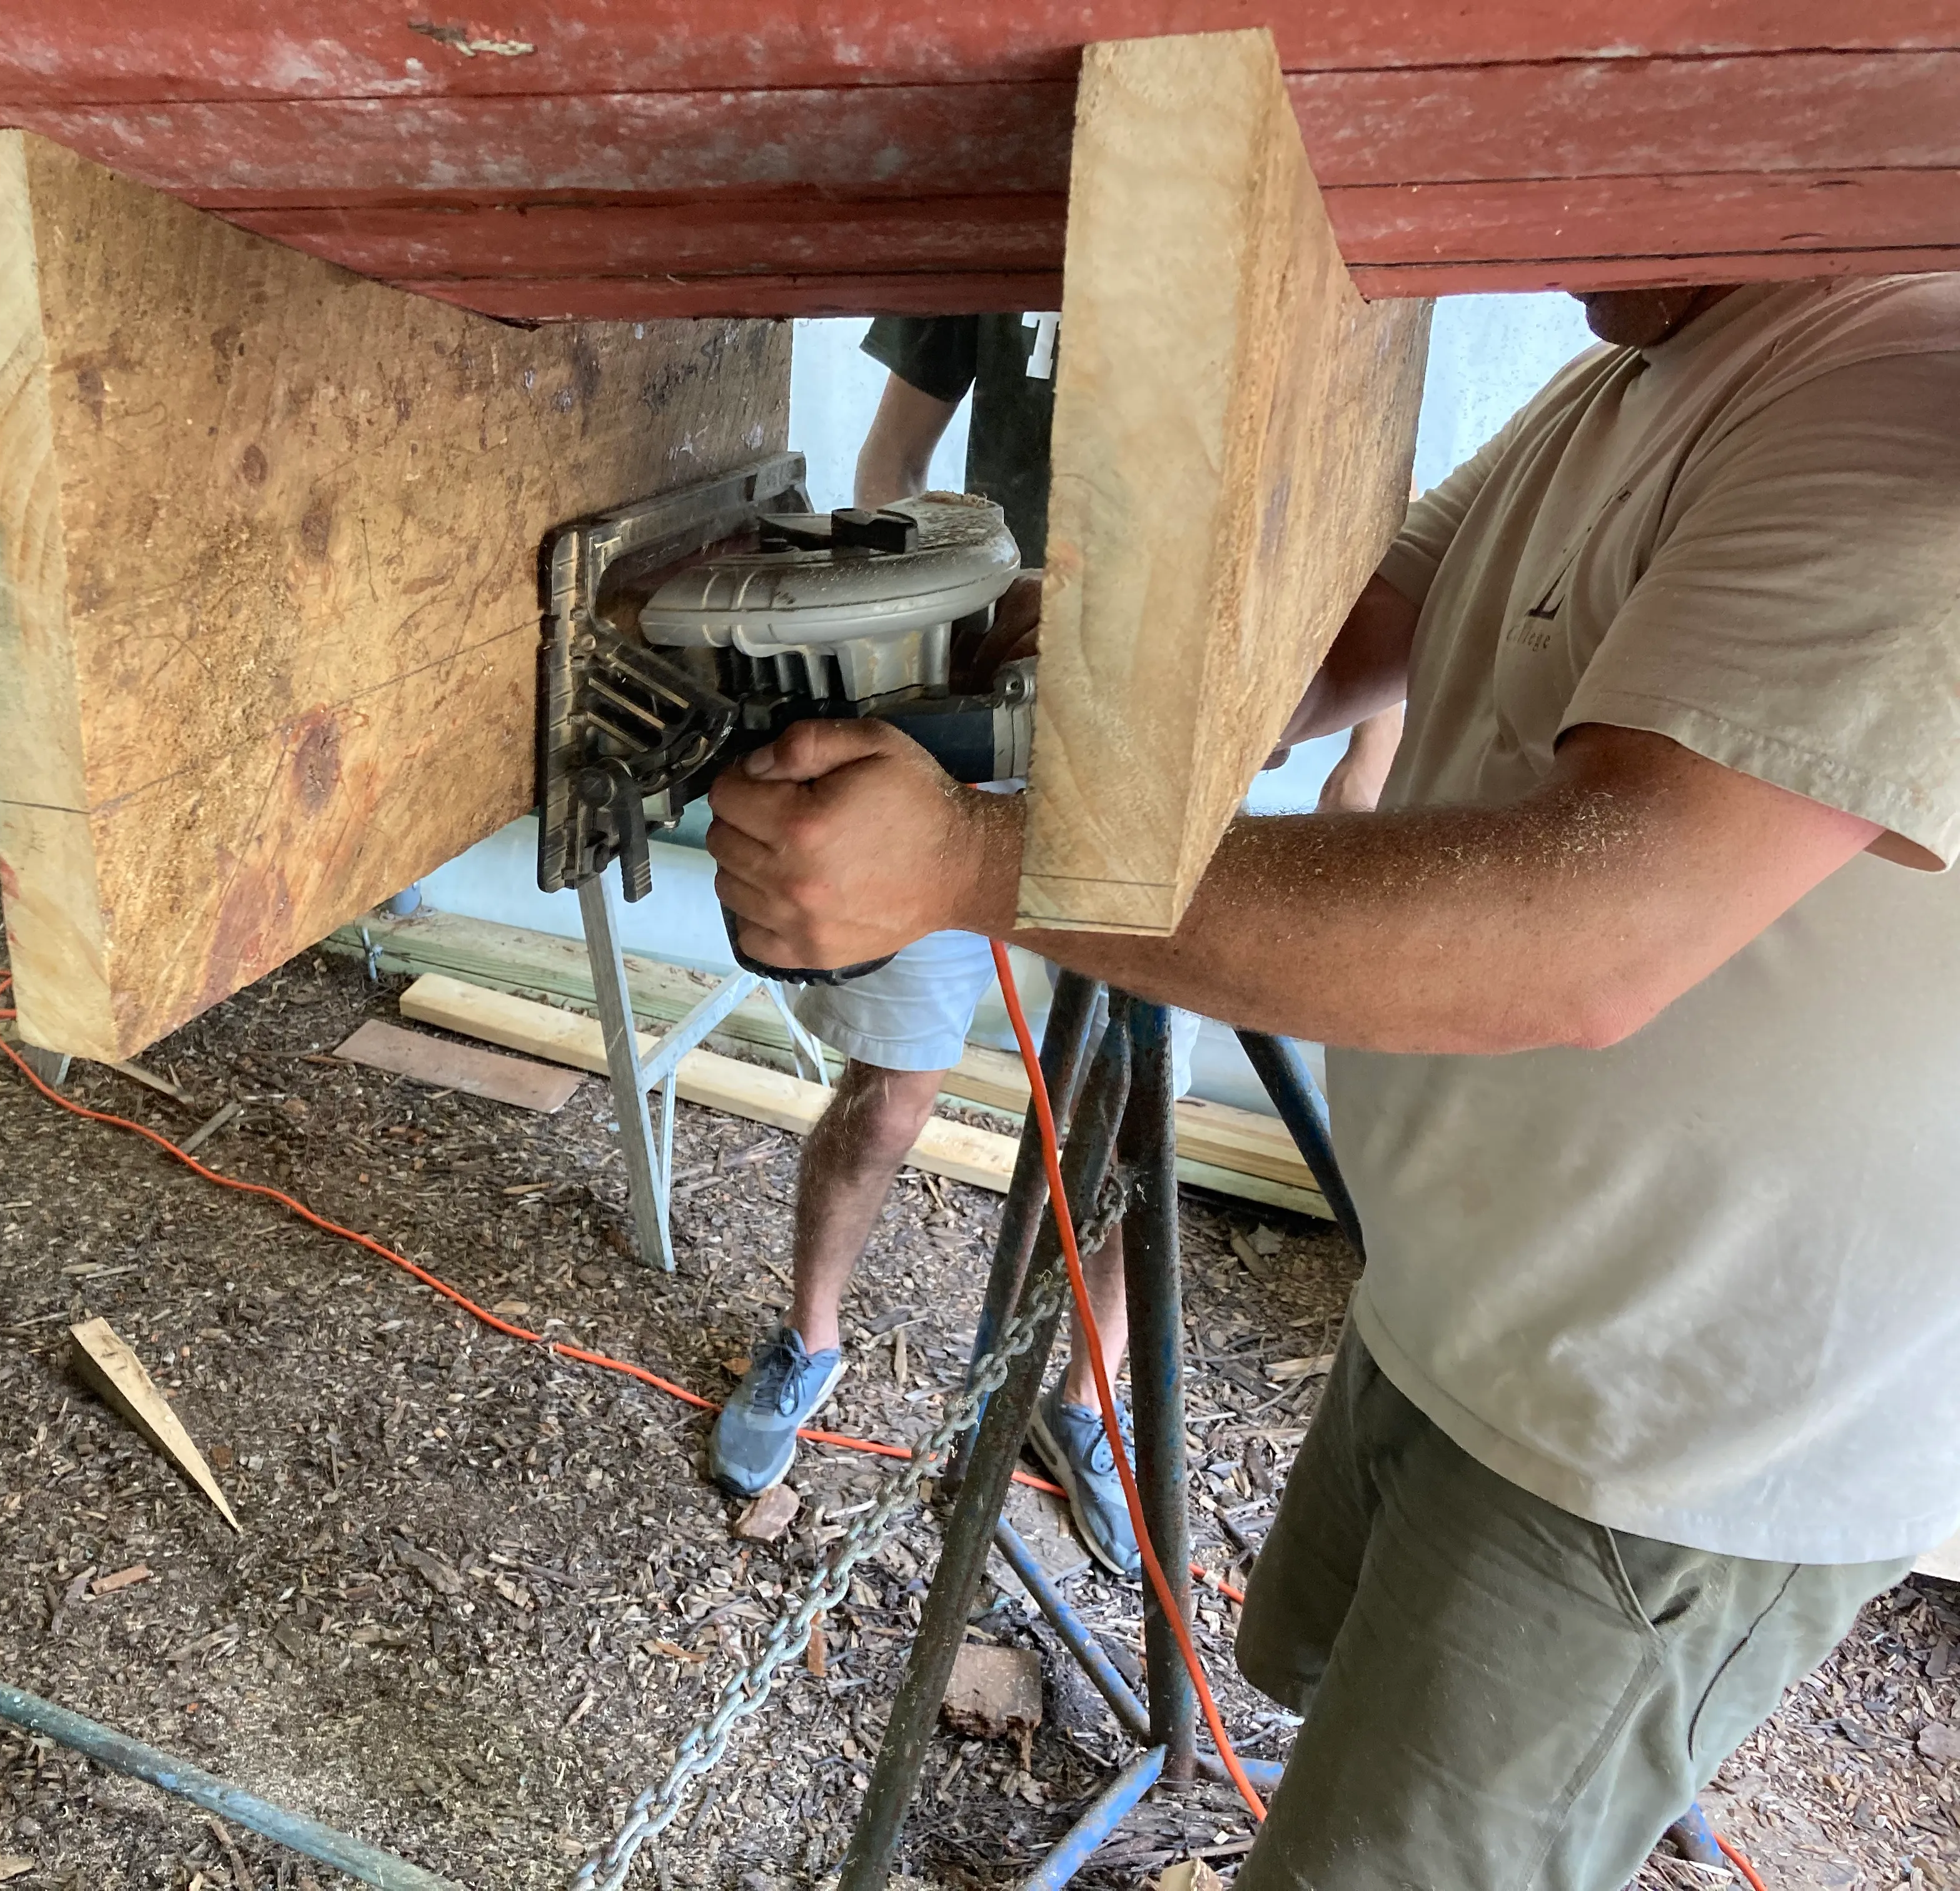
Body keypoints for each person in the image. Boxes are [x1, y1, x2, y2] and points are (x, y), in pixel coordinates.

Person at [704, 276, 1960, 1888]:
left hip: (1670, 1417)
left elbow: (1583, 934)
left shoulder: (1899, 375)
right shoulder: (1641, 367)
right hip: (1481, 1299)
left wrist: (972, 863)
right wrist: (1052, 666)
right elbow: (1342, 628)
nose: (1526, 232)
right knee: (1331, 1726)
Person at [709, 313, 1148, 1578]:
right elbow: (893, 462)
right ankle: (810, 1337)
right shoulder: (996, 231)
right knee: (890, 1094)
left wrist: (1366, 762)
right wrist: (894, 670)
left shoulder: (1258, 243)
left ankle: (1085, 1402)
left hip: (1148, 753)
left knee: (1125, 1124)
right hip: (973, 722)